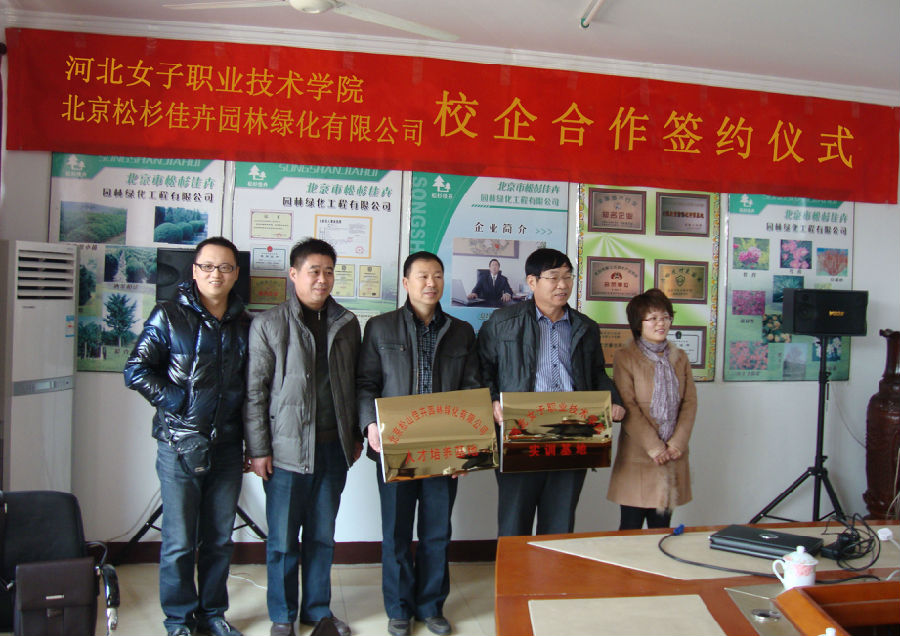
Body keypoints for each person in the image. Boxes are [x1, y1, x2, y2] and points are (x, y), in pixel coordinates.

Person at [124, 237, 249, 636]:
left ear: (236, 274)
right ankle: (179, 620)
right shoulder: (168, 315)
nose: (216, 274)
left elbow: (253, 388)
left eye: (225, 267)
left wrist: (253, 442)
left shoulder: (246, 324)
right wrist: (179, 401)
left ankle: (213, 614)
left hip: (227, 446)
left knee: (219, 540)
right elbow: (136, 370)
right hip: (178, 444)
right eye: (207, 266)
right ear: (194, 271)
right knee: (179, 542)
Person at [357, 251, 481, 636]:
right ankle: (398, 608)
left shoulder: (462, 331)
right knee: (396, 533)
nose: (431, 283)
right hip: (395, 445)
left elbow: (472, 389)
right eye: (423, 276)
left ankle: (431, 606)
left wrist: (469, 448)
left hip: (444, 449)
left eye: (438, 275)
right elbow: (365, 384)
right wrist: (369, 424)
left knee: (436, 533)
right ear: (406, 282)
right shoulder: (380, 328)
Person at [244, 238, 360, 636]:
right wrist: (258, 449)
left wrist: (355, 436)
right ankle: (282, 616)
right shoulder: (268, 324)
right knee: (282, 541)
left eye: (329, 271)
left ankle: (317, 611)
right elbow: (255, 393)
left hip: (332, 450)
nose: (322, 279)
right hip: (285, 453)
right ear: (293, 274)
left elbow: (354, 385)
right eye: (314, 271)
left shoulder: (347, 323)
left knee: (322, 537)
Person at [478, 247, 626, 537]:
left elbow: (597, 373)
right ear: (532, 282)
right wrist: (493, 400)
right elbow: (482, 369)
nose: (563, 285)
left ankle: (552, 569)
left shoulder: (585, 327)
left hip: (572, 432)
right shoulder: (502, 322)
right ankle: (516, 570)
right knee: (514, 521)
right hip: (519, 433)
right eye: (554, 277)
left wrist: (615, 400)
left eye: (568, 277)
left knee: (560, 522)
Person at [607, 288, 697, 530]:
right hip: (639, 454)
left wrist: (676, 444)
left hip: (672, 455)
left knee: (662, 529)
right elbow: (628, 405)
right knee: (630, 528)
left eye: (666, 317)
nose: (661, 323)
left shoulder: (680, 357)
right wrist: (655, 447)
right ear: (639, 324)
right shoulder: (625, 357)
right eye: (654, 318)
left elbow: (689, 403)